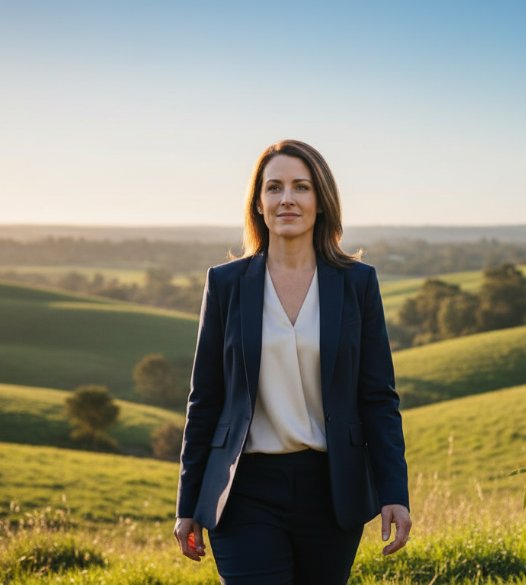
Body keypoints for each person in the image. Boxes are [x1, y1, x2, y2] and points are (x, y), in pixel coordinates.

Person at [173, 139, 411, 584]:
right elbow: (204, 399)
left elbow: (378, 398)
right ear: (258, 203)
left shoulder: (357, 283)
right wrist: (187, 504)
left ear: (321, 201)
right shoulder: (225, 284)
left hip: (332, 490)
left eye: (301, 187)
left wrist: (394, 492)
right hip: (243, 491)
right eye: (274, 187)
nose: (287, 199)